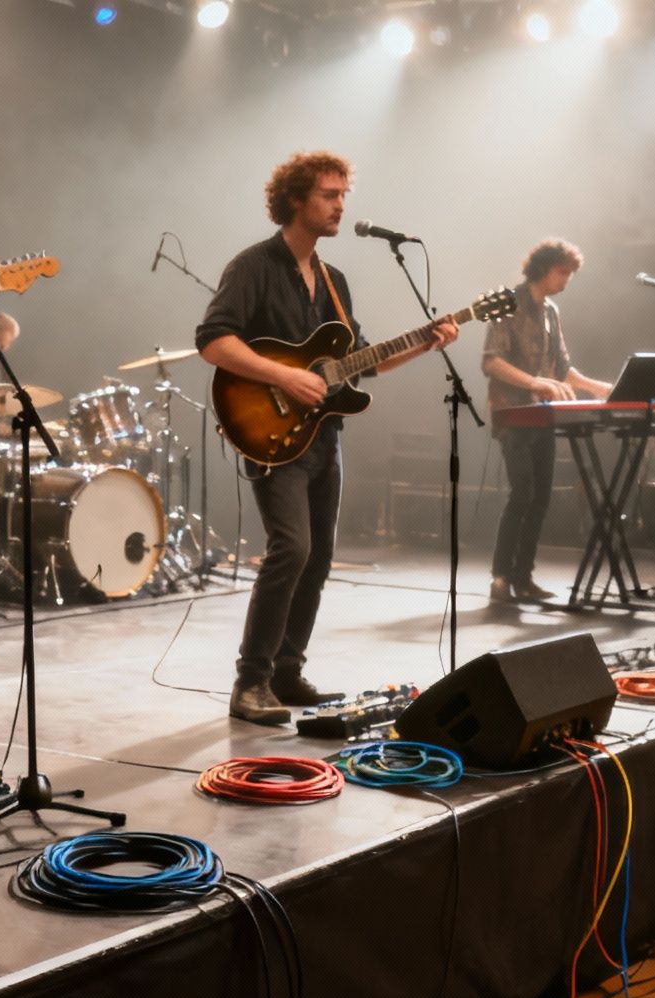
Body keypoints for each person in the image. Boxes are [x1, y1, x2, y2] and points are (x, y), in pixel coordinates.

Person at [195, 151, 458, 726]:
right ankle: (251, 682)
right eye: (329, 195)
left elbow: (361, 364)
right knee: (291, 548)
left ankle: (287, 674)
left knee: (318, 559)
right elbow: (214, 341)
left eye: (344, 195)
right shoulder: (254, 266)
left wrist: (425, 342)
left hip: (322, 437)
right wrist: (285, 375)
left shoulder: (334, 282)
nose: (341, 205)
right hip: (269, 429)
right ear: (296, 200)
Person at [482, 238, 612, 602]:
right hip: (512, 414)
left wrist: (594, 387)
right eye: (563, 271)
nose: (567, 279)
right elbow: (491, 360)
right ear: (543, 268)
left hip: (543, 417)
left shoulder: (552, 312)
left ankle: (523, 577)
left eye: (571, 273)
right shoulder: (509, 303)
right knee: (522, 493)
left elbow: (562, 367)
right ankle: (499, 576)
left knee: (539, 498)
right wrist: (534, 382)